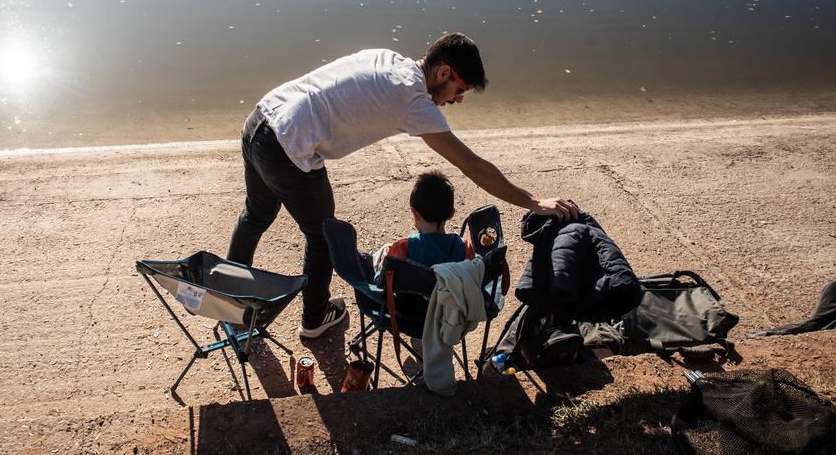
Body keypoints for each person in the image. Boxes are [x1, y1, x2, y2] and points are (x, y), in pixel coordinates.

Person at [227, 32, 580, 339]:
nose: (456, 101)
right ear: (443, 72)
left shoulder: (387, 57)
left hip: (260, 120)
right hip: (288, 147)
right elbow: (472, 165)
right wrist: (533, 202)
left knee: (255, 215)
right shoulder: (413, 102)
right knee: (322, 236)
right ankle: (315, 320)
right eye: (459, 91)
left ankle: (229, 304)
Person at [372, 171, 473, 275]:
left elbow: (382, 282)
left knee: (382, 253)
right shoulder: (464, 248)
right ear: (451, 214)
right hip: (453, 291)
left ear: (415, 213)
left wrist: (385, 260)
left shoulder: (401, 248)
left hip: (410, 290)